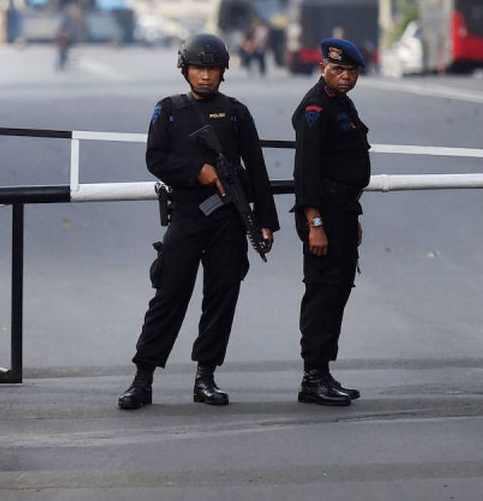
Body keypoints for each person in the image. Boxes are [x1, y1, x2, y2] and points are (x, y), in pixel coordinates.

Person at [118, 33, 278, 410]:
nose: (205, 76)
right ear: (185, 70)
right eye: (198, 68)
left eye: (212, 69)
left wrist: (265, 222)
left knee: (221, 297)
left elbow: (256, 169)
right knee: (169, 295)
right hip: (189, 214)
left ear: (223, 72)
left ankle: (205, 377)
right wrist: (197, 171)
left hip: (229, 219)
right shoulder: (169, 109)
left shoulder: (237, 112)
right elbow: (155, 159)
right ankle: (143, 379)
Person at [291, 37, 370, 406]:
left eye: (351, 71)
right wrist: (315, 223)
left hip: (341, 212)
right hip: (323, 216)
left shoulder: (341, 103)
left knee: (337, 292)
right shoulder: (316, 108)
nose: (345, 76)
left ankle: (323, 372)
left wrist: (351, 216)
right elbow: (306, 172)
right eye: (338, 69)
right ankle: (312, 377)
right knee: (322, 294)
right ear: (323, 68)